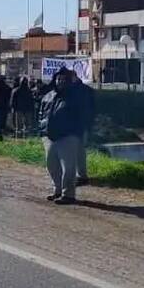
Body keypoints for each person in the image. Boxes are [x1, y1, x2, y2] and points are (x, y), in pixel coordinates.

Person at [38, 68, 85, 205]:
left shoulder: (76, 97)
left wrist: (77, 132)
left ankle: (68, 194)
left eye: (64, 79)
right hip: (49, 136)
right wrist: (42, 131)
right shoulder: (49, 96)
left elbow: (82, 116)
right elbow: (41, 114)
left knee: (68, 168)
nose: (60, 82)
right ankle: (57, 190)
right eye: (58, 79)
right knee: (51, 165)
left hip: (68, 136)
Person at [70, 70, 96, 186]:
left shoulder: (77, 91)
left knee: (78, 151)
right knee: (77, 151)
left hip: (78, 124)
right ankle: (79, 174)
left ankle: (81, 176)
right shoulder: (86, 90)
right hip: (79, 124)